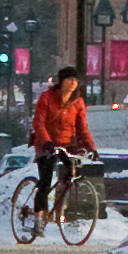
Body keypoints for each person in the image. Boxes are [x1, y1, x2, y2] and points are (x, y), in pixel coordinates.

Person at [29, 65, 92, 211]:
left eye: (75, 80)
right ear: (61, 81)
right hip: (46, 143)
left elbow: (82, 128)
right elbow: (38, 122)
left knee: (73, 172)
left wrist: (90, 148)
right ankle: (39, 216)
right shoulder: (47, 97)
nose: (73, 83)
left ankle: (61, 206)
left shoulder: (78, 102)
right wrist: (46, 142)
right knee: (45, 181)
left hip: (65, 143)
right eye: (69, 79)